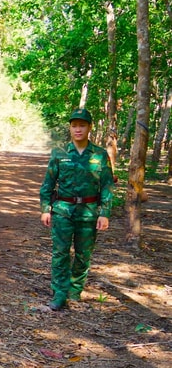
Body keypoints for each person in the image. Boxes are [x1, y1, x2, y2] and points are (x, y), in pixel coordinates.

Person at [39, 108, 114, 311]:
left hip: (89, 212)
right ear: (70, 128)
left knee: (83, 255)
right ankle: (60, 294)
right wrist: (46, 209)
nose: (78, 129)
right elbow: (48, 184)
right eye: (74, 125)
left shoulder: (99, 155)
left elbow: (107, 185)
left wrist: (104, 213)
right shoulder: (59, 153)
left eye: (82, 125)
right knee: (60, 253)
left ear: (89, 127)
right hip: (63, 209)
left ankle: (74, 291)